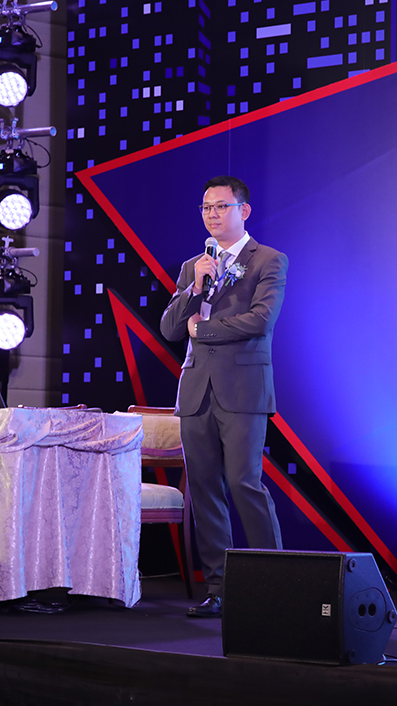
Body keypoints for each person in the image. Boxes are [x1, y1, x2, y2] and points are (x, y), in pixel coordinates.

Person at [160, 175, 287, 618]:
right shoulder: (194, 265)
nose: (212, 214)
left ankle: (275, 585)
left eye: (221, 206)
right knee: (204, 488)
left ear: (243, 211)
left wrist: (205, 330)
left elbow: (261, 320)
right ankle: (219, 587)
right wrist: (195, 289)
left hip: (243, 390)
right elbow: (170, 329)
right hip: (196, 391)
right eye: (206, 207)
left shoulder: (268, 260)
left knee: (244, 483)